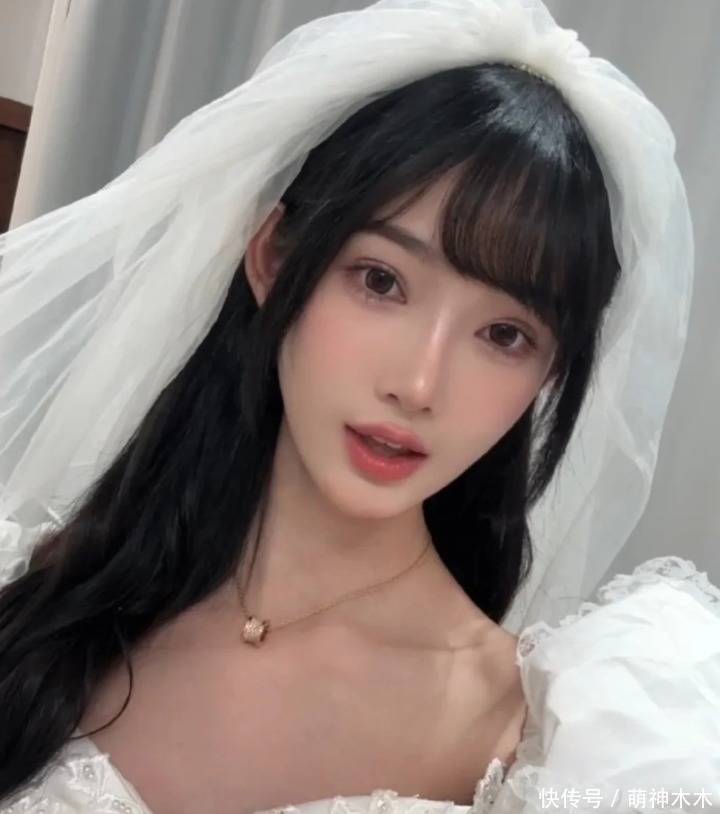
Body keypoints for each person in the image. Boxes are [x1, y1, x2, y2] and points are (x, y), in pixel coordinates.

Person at [0, 1, 718, 812]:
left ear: (550, 374)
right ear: (275, 258)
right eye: (382, 281)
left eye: (505, 334)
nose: (419, 385)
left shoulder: (543, 745)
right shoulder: (49, 594)